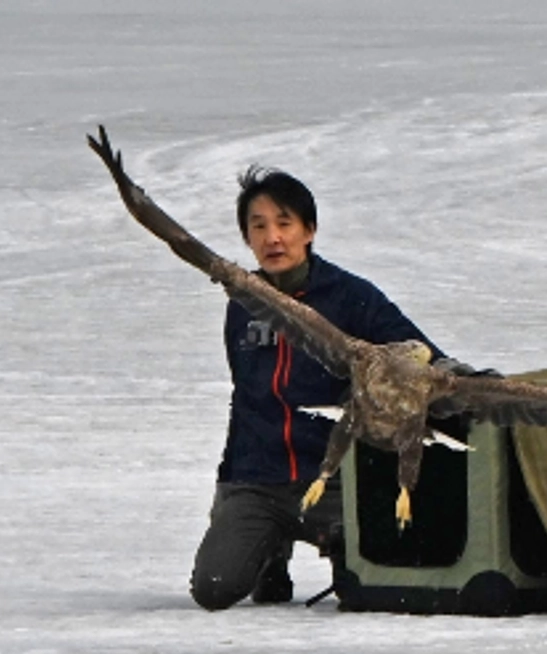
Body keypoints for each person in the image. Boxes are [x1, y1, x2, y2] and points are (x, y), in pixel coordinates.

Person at [189, 166, 458, 610]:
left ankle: (337, 542)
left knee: (365, 590)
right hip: (259, 482)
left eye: (284, 224)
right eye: (259, 227)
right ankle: (268, 552)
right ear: (247, 238)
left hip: (336, 480)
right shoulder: (243, 304)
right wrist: (227, 488)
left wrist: (475, 382)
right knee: (214, 588)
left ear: (309, 230)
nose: (273, 238)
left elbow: (421, 357)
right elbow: (245, 399)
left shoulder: (351, 296)